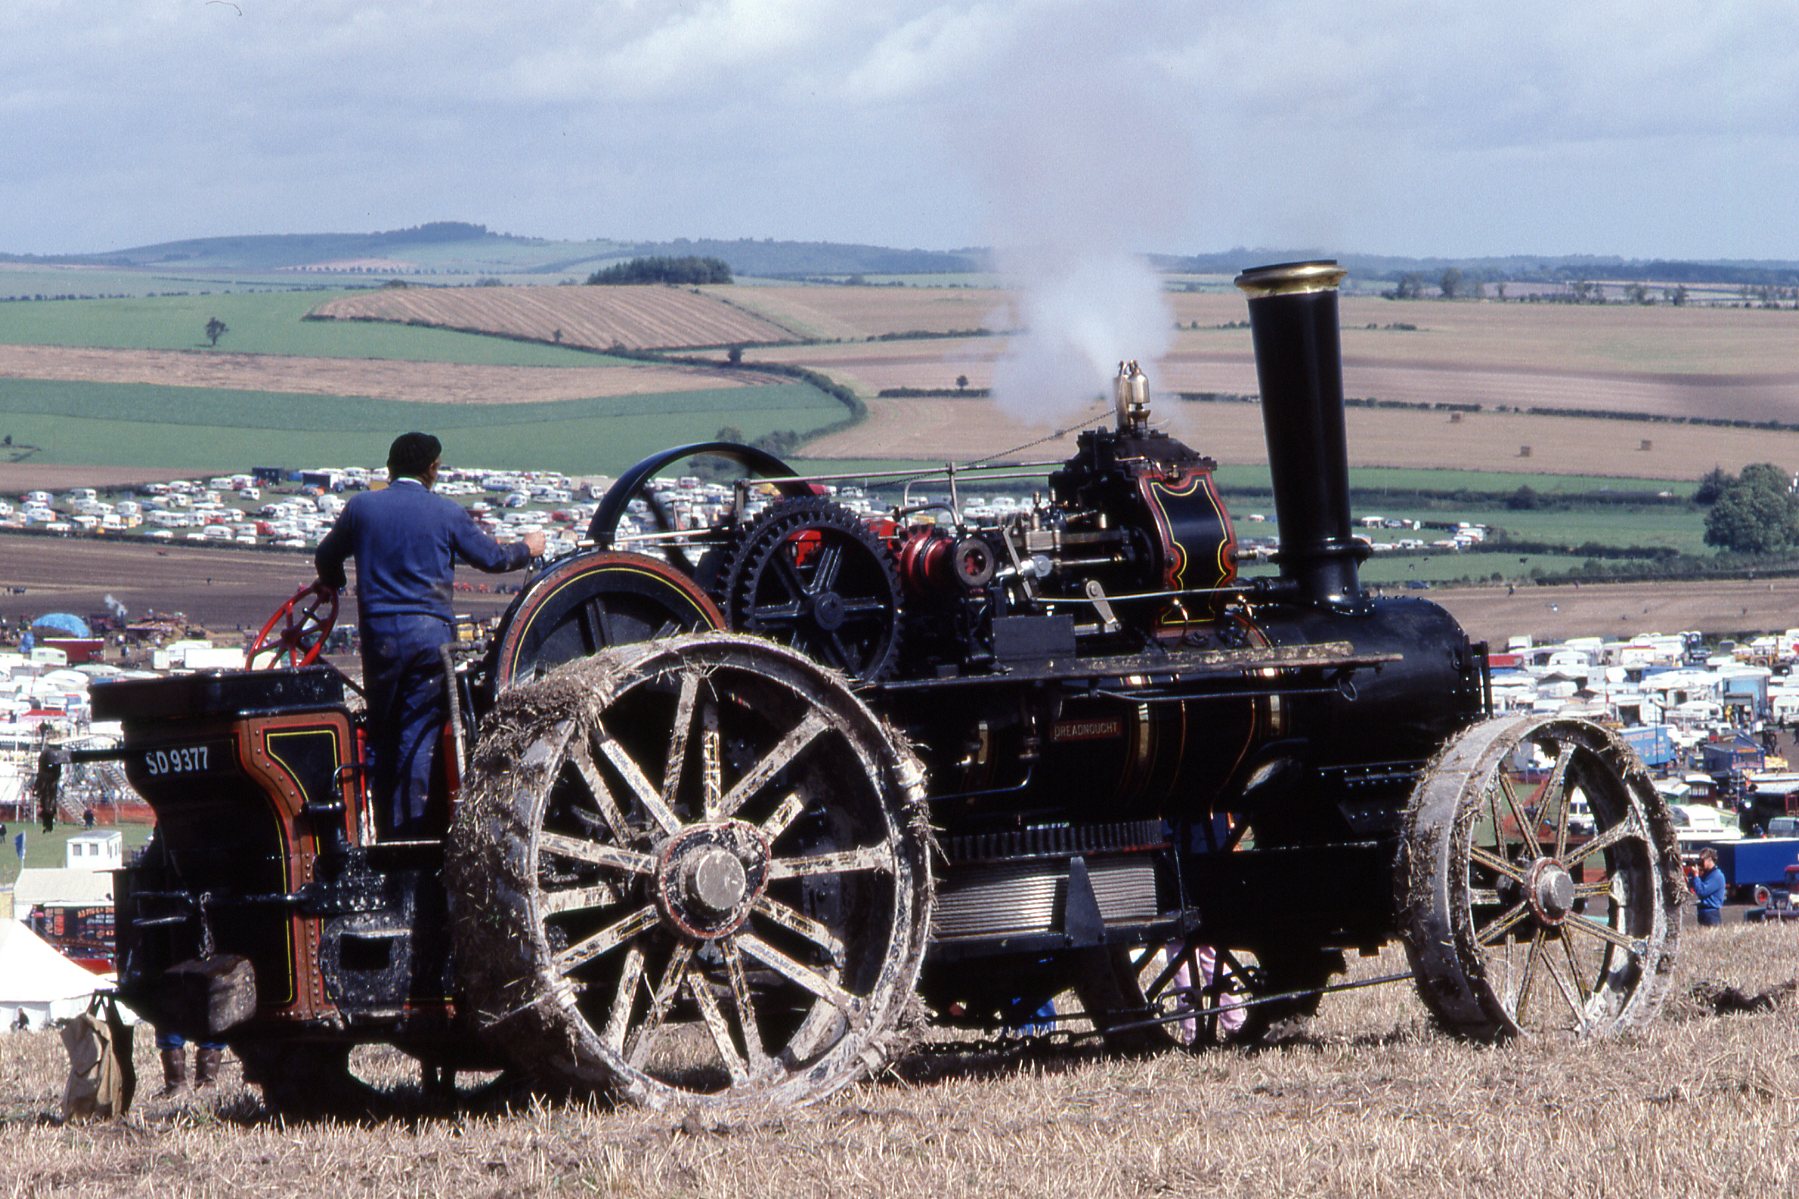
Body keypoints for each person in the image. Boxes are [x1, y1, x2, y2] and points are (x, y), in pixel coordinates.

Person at [315, 433, 544, 837]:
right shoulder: (446, 513)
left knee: (383, 735)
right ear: (432, 468)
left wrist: (332, 584)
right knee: (418, 735)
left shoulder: (361, 508)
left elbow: (326, 556)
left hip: (380, 638)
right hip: (431, 638)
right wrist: (528, 547)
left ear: (389, 467)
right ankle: (414, 836)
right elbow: (493, 559)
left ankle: (384, 834)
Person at [1689, 848, 1726, 927]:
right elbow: (1693, 886)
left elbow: (1702, 891)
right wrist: (1693, 875)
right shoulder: (1707, 874)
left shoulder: (1717, 876)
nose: (1700, 863)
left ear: (1709, 859)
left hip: (1711, 914)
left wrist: (1696, 876)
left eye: (1702, 860)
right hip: (1703, 912)